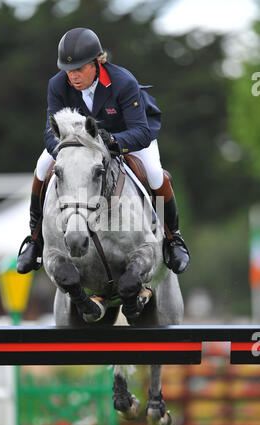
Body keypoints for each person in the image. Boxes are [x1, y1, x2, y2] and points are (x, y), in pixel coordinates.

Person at [17, 27, 190, 275]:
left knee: (154, 173)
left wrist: (110, 142)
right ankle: (34, 240)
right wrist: (68, 149)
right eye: (68, 70)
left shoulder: (123, 82)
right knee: (42, 169)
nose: (72, 77)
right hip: (77, 145)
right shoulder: (57, 85)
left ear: (97, 62)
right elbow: (50, 132)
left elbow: (140, 131)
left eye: (78, 69)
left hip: (126, 137)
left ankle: (174, 239)